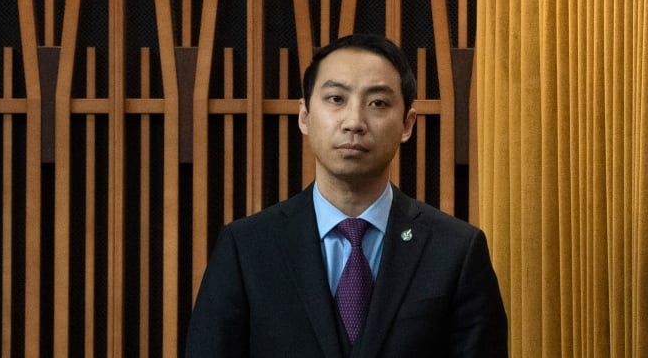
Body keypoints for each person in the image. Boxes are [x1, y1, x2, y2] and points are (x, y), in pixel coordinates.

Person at [185, 33, 507, 357]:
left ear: (407, 124)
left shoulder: (456, 251)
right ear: (305, 116)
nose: (354, 122)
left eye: (378, 103)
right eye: (336, 99)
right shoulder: (246, 248)